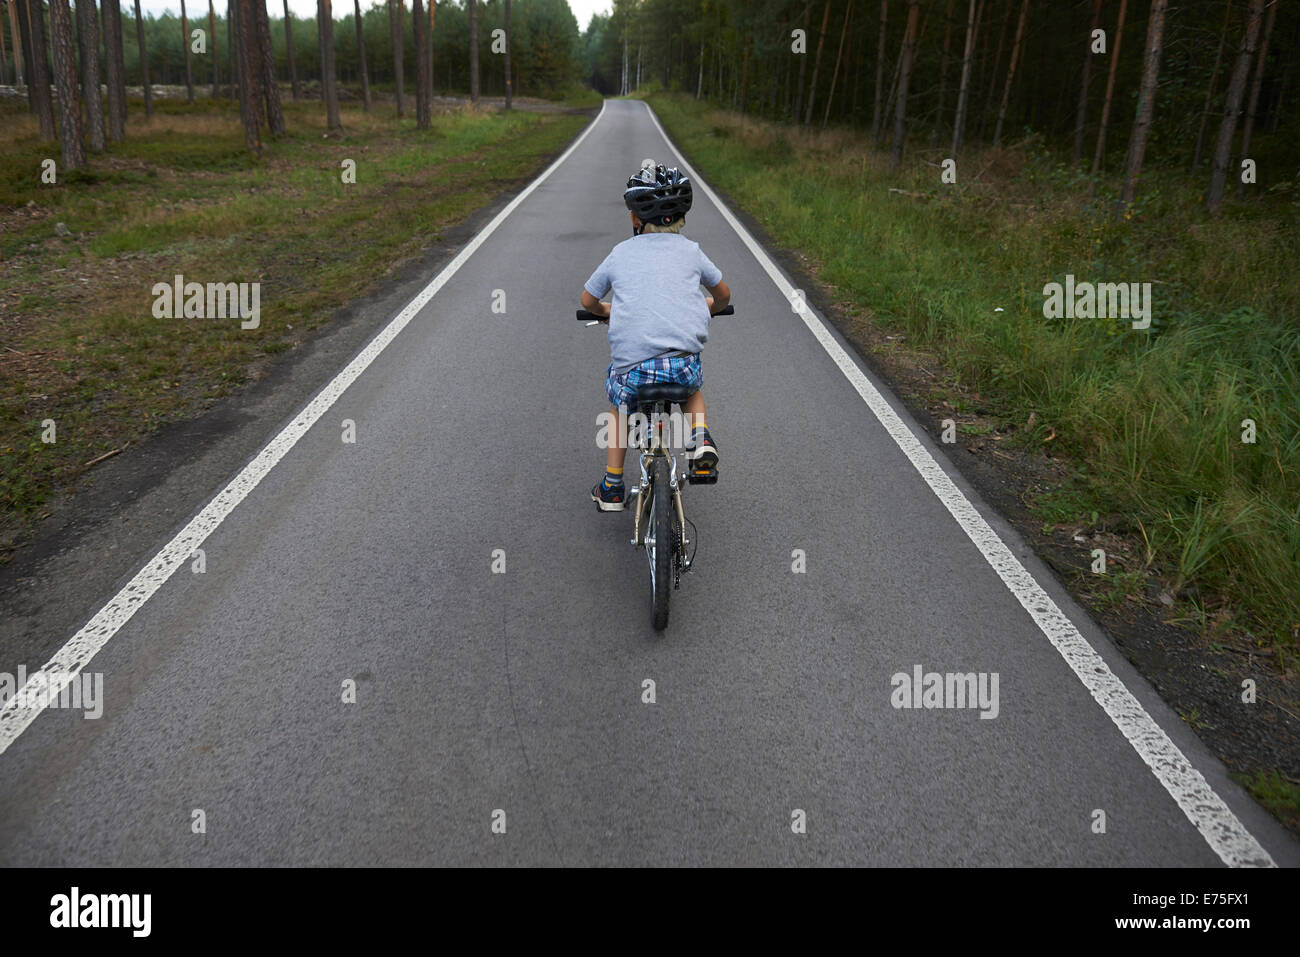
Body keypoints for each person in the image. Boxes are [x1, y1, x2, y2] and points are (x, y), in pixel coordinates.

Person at [580, 161, 731, 512]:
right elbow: (723, 294)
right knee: (692, 393)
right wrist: (708, 307)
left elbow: (588, 300)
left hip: (633, 372)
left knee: (619, 406)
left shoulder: (620, 253)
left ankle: (613, 485)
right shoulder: (692, 251)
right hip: (681, 367)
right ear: (682, 215)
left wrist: (607, 311)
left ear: (635, 217)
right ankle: (699, 438)